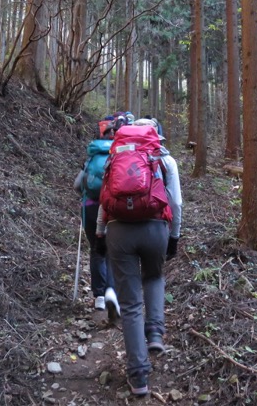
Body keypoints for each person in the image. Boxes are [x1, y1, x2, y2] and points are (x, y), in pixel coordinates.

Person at [94, 118, 182, 397]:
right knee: (154, 276)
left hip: (119, 231)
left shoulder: (114, 156)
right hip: (156, 227)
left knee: (131, 304)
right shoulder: (164, 159)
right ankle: (155, 332)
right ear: (155, 135)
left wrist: (99, 234)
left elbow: (103, 198)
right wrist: (174, 237)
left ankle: (139, 376)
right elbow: (176, 202)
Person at [73, 120, 122, 319]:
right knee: (112, 250)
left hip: (90, 207)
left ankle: (99, 296)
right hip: (111, 208)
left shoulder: (91, 156)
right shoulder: (119, 154)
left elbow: (77, 185)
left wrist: (86, 194)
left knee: (96, 250)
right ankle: (112, 290)